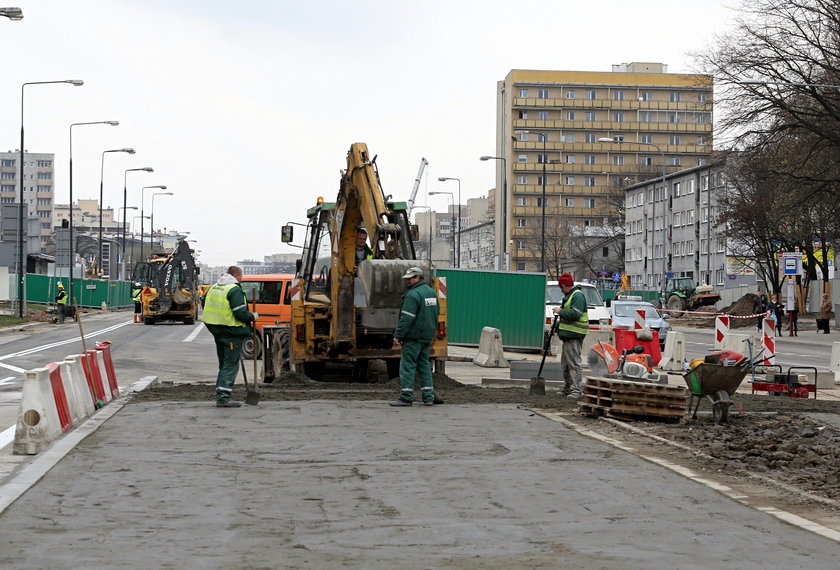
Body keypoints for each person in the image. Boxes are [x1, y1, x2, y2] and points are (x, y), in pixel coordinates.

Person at [202, 266, 258, 407]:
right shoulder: (234, 290)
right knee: (230, 365)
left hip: (216, 329)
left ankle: (221, 393)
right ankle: (223, 398)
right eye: (241, 276)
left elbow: (205, 303)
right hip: (231, 332)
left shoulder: (214, 287)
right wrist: (253, 316)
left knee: (224, 363)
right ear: (235, 275)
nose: (242, 279)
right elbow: (240, 314)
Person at [390, 266, 440, 407]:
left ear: (418, 277)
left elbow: (407, 318)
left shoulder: (412, 295)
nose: (408, 281)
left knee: (408, 366)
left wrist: (398, 335)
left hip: (413, 337)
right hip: (426, 336)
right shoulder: (431, 293)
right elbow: (436, 313)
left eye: (411, 278)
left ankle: (406, 397)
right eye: (408, 278)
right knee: (424, 365)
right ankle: (428, 397)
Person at [552, 273, 589, 399]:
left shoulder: (577, 296)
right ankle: (567, 388)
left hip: (574, 335)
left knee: (574, 364)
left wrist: (560, 311)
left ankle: (576, 390)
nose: (561, 291)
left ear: (563, 286)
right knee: (566, 365)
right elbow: (566, 319)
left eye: (561, 288)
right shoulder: (570, 296)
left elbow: (575, 314)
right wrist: (556, 328)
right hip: (568, 335)